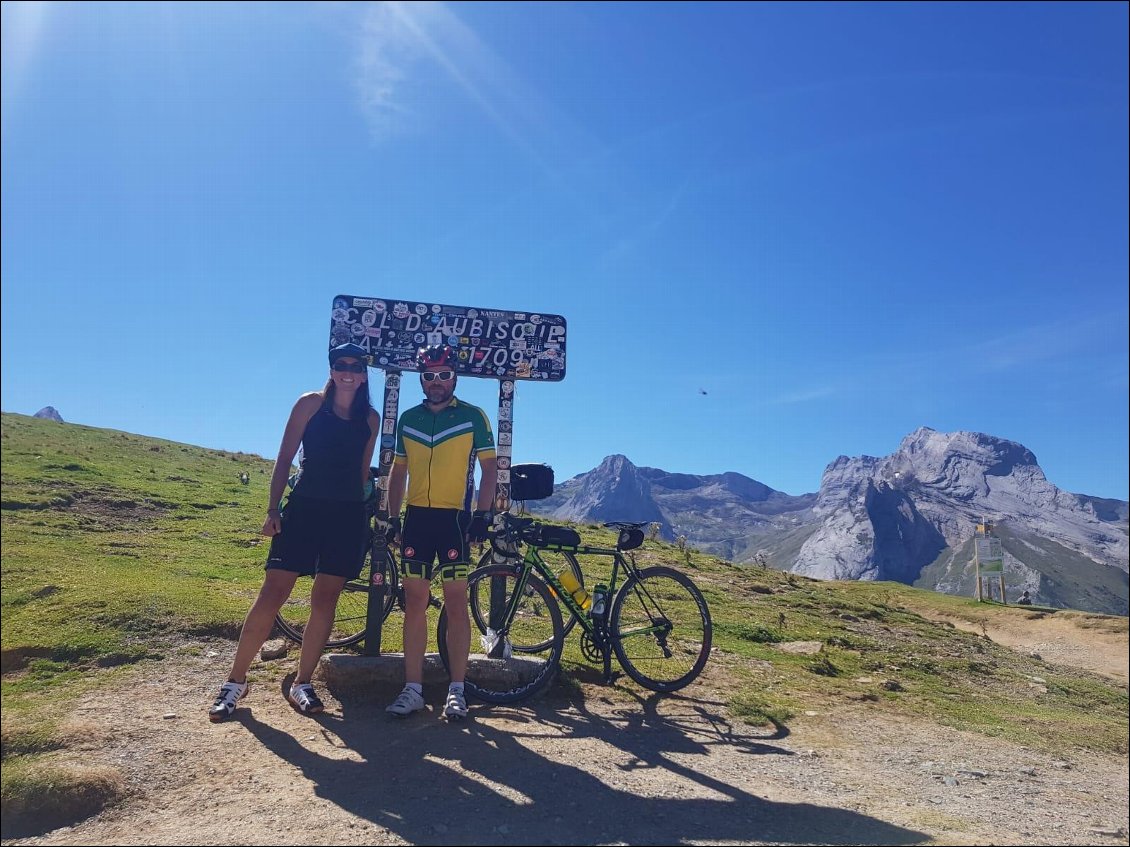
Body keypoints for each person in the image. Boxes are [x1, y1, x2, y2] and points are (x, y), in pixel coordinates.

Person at [208, 343, 380, 722]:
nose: (347, 371)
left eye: (355, 366)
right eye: (340, 365)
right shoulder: (310, 404)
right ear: (332, 369)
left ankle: (303, 683)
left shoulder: (371, 418)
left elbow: (362, 472)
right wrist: (272, 509)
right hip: (304, 509)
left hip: (347, 515)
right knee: (272, 593)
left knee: (326, 598)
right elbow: (285, 457)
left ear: (365, 373)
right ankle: (235, 682)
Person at [383, 344, 497, 721]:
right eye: (429, 376)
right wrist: (391, 516)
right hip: (417, 519)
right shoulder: (409, 419)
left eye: (444, 375)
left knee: (455, 604)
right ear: (422, 378)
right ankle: (413, 689)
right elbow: (399, 472)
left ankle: (457, 691)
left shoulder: (473, 417)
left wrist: (482, 514)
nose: (436, 382)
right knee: (414, 603)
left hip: (454, 521)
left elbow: (489, 469)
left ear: (455, 377)